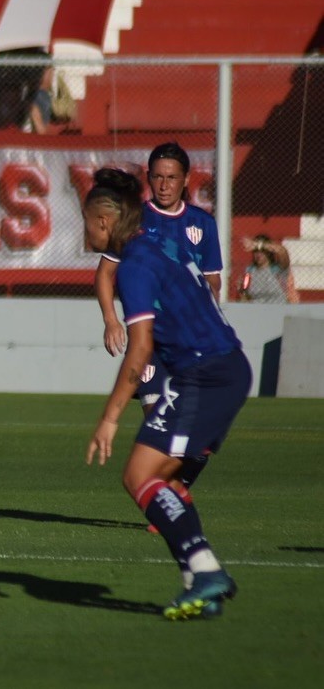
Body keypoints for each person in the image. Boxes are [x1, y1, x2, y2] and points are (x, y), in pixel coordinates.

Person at [82, 167, 251, 620]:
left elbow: (139, 350)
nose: (85, 233)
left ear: (102, 222)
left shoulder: (134, 266)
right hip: (221, 371)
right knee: (165, 479)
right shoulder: (157, 248)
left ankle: (205, 573)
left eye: (86, 223)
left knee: (140, 475)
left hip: (206, 375)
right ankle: (203, 578)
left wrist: (110, 417)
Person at [92, 143, 222, 525]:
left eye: (172, 178)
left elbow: (213, 282)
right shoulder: (133, 221)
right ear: (148, 179)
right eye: (158, 177)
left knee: (198, 446)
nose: (164, 185)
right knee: (161, 429)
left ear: (186, 181)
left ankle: (175, 489)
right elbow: (104, 273)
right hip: (150, 345)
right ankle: (165, 508)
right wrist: (111, 320)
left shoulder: (202, 225)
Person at [239, 234, 297, 303]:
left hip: (277, 307)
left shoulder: (278, 269)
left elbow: (282, 251)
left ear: (269, 252)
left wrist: (258, 244)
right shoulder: (250, 270)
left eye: (262, 251)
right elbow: (245, 294)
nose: (258, 254)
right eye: (255, 251)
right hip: (257, 308)